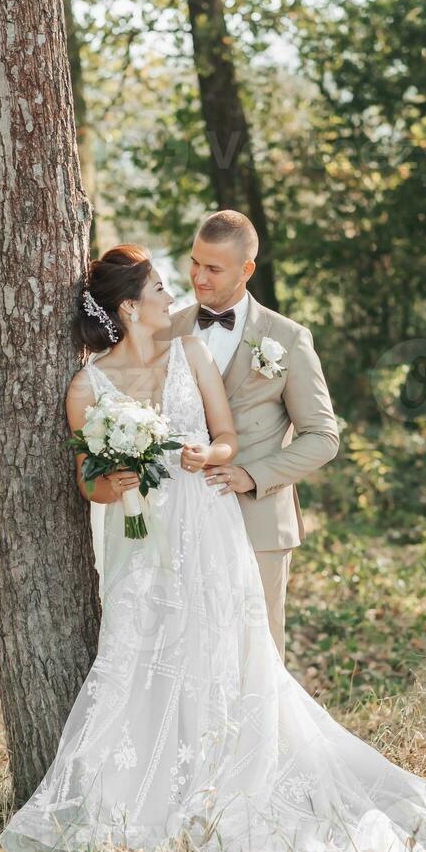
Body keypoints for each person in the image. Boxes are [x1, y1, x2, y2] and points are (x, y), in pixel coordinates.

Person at [0, 243, 426, 852]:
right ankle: (137, 795)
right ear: (129, 308)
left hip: (208, 527)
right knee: (140, 649)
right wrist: (115, 481)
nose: (173, 297)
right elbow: (85, 483)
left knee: (222, 650)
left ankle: (221, 783)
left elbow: (227, 433)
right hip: (141, 540)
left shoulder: (191, 353)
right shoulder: (86, 384)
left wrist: (214, 457)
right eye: (158, 290)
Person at [168, 210, 339, 660]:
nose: (198, 278)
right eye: (195, 263)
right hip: (180, 520)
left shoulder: (288, 338)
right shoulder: (167, 330)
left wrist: (252, 474)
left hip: (259, 523)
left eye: (213, 268)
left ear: (246, 271)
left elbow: (323, 435)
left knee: (256, 655)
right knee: (189, 652)